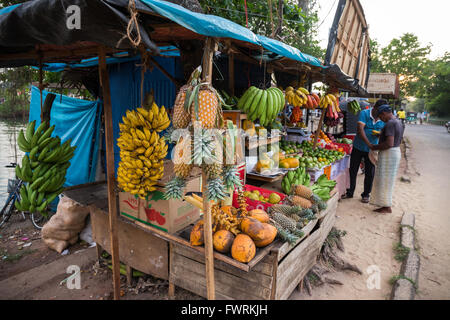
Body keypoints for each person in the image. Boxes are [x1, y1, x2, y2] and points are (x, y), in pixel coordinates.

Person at [341, 99, 387, 203]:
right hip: (358, 146)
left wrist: (380, 135)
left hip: (372, 150)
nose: (380, 114)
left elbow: (384, 133)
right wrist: (369, 144)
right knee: (353, 170)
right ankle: (350, 191)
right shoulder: (364, 113)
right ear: (374, 107)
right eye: (379, 111)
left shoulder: (383, 118)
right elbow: (360, 130)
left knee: (370, 172)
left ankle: (366, 194)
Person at [369, 105, 404, 214]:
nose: (381, 119)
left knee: (384, 180)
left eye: (380, 116)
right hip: (395, 152)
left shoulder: (390, 123)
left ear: (384, 113)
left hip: (389, 153)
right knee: (388, 180)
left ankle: (386, 206)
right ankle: (384, 204)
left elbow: (389, 143)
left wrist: (374, 147)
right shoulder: (398, 122)